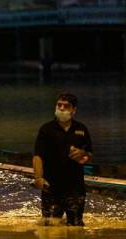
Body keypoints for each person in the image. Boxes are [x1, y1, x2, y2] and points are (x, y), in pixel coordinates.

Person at [33, 93, 93, 226]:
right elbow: (38, 156)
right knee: (50, 228)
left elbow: (89, 155)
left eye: (66, 106)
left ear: (74, 110)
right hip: (51, 186)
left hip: (75, 187)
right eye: (59, 105)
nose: (61, 108)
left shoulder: (81, 129)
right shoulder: (46, 129)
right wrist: (38, 177)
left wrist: (83, 154)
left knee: (76, 226)